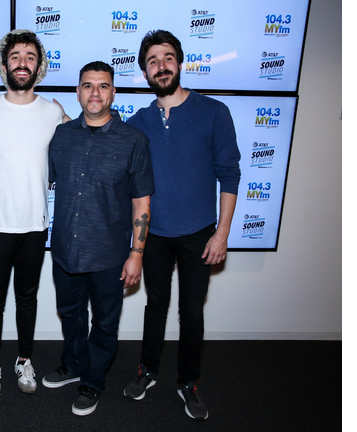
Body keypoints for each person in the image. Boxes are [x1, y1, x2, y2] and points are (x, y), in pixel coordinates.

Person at [123, 30, 241, 420]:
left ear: (180, 63)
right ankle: (148, 370)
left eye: (168, 57)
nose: (162, 66)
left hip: (198, 234)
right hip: (154, 235)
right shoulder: (138, 121)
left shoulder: (213, 112)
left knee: (192, 312)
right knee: (155, 306)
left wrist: (222, 232)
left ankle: (189, 382)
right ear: (144, 72)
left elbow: (229, 174)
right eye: (153, 60)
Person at [42, 61, 154, 416]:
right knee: (69, 314)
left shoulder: (134, 141)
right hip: (64, 251)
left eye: (103, 86)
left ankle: (93, 381)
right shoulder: (61, 135)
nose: (95, 93)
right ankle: (74, 365)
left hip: (108, 254)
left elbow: (142, 201)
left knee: (104, 323)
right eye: (87, 86)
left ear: (113, 92)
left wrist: (137, 253)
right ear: (77, 91)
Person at [0, 29, 67, 399]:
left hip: (35, 223)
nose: (23, 63)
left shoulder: (53, 111)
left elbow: (78, 150)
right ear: (4, 66)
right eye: (16, 57)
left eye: (30, 57)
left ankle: (23, 359)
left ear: (39, 65)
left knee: (27, 298)